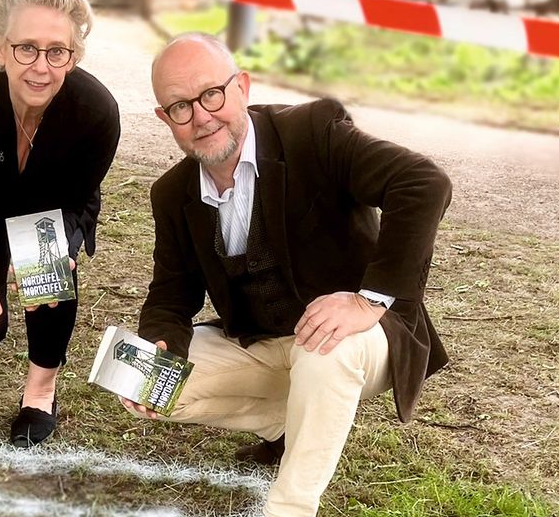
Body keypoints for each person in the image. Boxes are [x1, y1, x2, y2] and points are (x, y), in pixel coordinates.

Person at [121, 33, 451, 516]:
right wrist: (159, 345)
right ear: (164, 119)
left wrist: (368, 300)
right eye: (180, 107)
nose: (202, 116)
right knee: (134, 376)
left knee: (324, 350)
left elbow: (422, 184)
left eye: (212, 94)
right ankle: (285, 422)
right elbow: (171, 296)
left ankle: (291, 507)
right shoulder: (171, 194)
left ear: (242, 87)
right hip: (264, 343)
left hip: (360, 339)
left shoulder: (312, 131)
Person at [0, 0, 119, 447]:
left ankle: (41, 390)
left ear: (74, 56)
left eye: (58, 51)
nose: (41, 67)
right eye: (26, 49)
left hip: (51, 208)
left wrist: (56, 247)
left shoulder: (96, 112)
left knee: (47, 269)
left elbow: (80, 196)